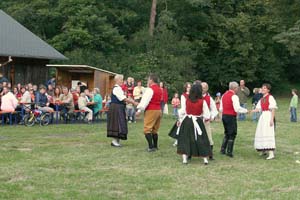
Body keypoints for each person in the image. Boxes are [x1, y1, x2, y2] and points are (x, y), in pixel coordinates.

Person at [176, 83, 212, 165]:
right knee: (201, 139)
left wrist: (180, 119)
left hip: (187, 121)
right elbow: (207, 115)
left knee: (185, 139)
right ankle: (205, 159)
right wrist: (203, 117)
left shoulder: (187, 100)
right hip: (197, 121)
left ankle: (184, 159)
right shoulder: (202, 101)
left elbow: (182, 111)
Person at [107, 74, 137, 147]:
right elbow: (123, 98)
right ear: (117, 80)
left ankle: (116, 141)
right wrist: (134, 102)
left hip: (118, 107)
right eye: (121, 80)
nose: (122, 81)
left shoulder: (119, 88)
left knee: (120, 123)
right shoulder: (116, 88)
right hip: (116, 108)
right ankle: (114, 141)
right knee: (117, 123)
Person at [219, 81, 248, 157]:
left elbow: (221, 108)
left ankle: (222, 149)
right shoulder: (234, 96)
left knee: (227, 133)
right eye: (237, 87)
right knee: (232, 133)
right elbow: (237, 109)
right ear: (235, 88)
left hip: (224, 115)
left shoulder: (224, 95)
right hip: (231, 116)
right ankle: (229, 151)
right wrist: (246, 111)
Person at [136, 74, 162, 152]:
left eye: (148, 80)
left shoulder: (150, 89)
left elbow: (145, 101)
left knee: (147, 129)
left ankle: (150, 147)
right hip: (158, 110)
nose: (147, 81)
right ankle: (155, 146)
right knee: (154, 129)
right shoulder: (159, 89)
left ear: (151, 80)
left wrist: (139, 110)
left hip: (151, 110)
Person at [251, 84, 277, 160]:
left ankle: (271, 153)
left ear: (268, 90)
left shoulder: (270, 97)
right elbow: (258, 109)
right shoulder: (261, 99)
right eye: (262, 88)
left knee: (268, 132)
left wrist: (272, 119)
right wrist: (249, 111)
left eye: (265, 88)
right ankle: (263, 150)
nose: (263, 89)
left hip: (268, 116)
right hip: (263, 116)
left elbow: (273, 109)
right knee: (262, 132)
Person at [169, 82, 191, 147]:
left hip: (191, 113)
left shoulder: (193, 94)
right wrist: (182, 114)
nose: (189, 88)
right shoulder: (183, 95)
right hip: (185, 113)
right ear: (185, 88)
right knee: (180, 126)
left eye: (190, 87)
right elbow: (183, 106)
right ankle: (177, 140)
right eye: (188, 87)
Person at [201, 82, 218, 160]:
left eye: (204, 88)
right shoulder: (196, 96)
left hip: (205, 120)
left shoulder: (209, 98)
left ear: (207, 89)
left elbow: (214, 109)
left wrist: (212, 116)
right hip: (197, 119)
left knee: (208, 137)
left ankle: (210, 154)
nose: (202, 89)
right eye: (201, 87)